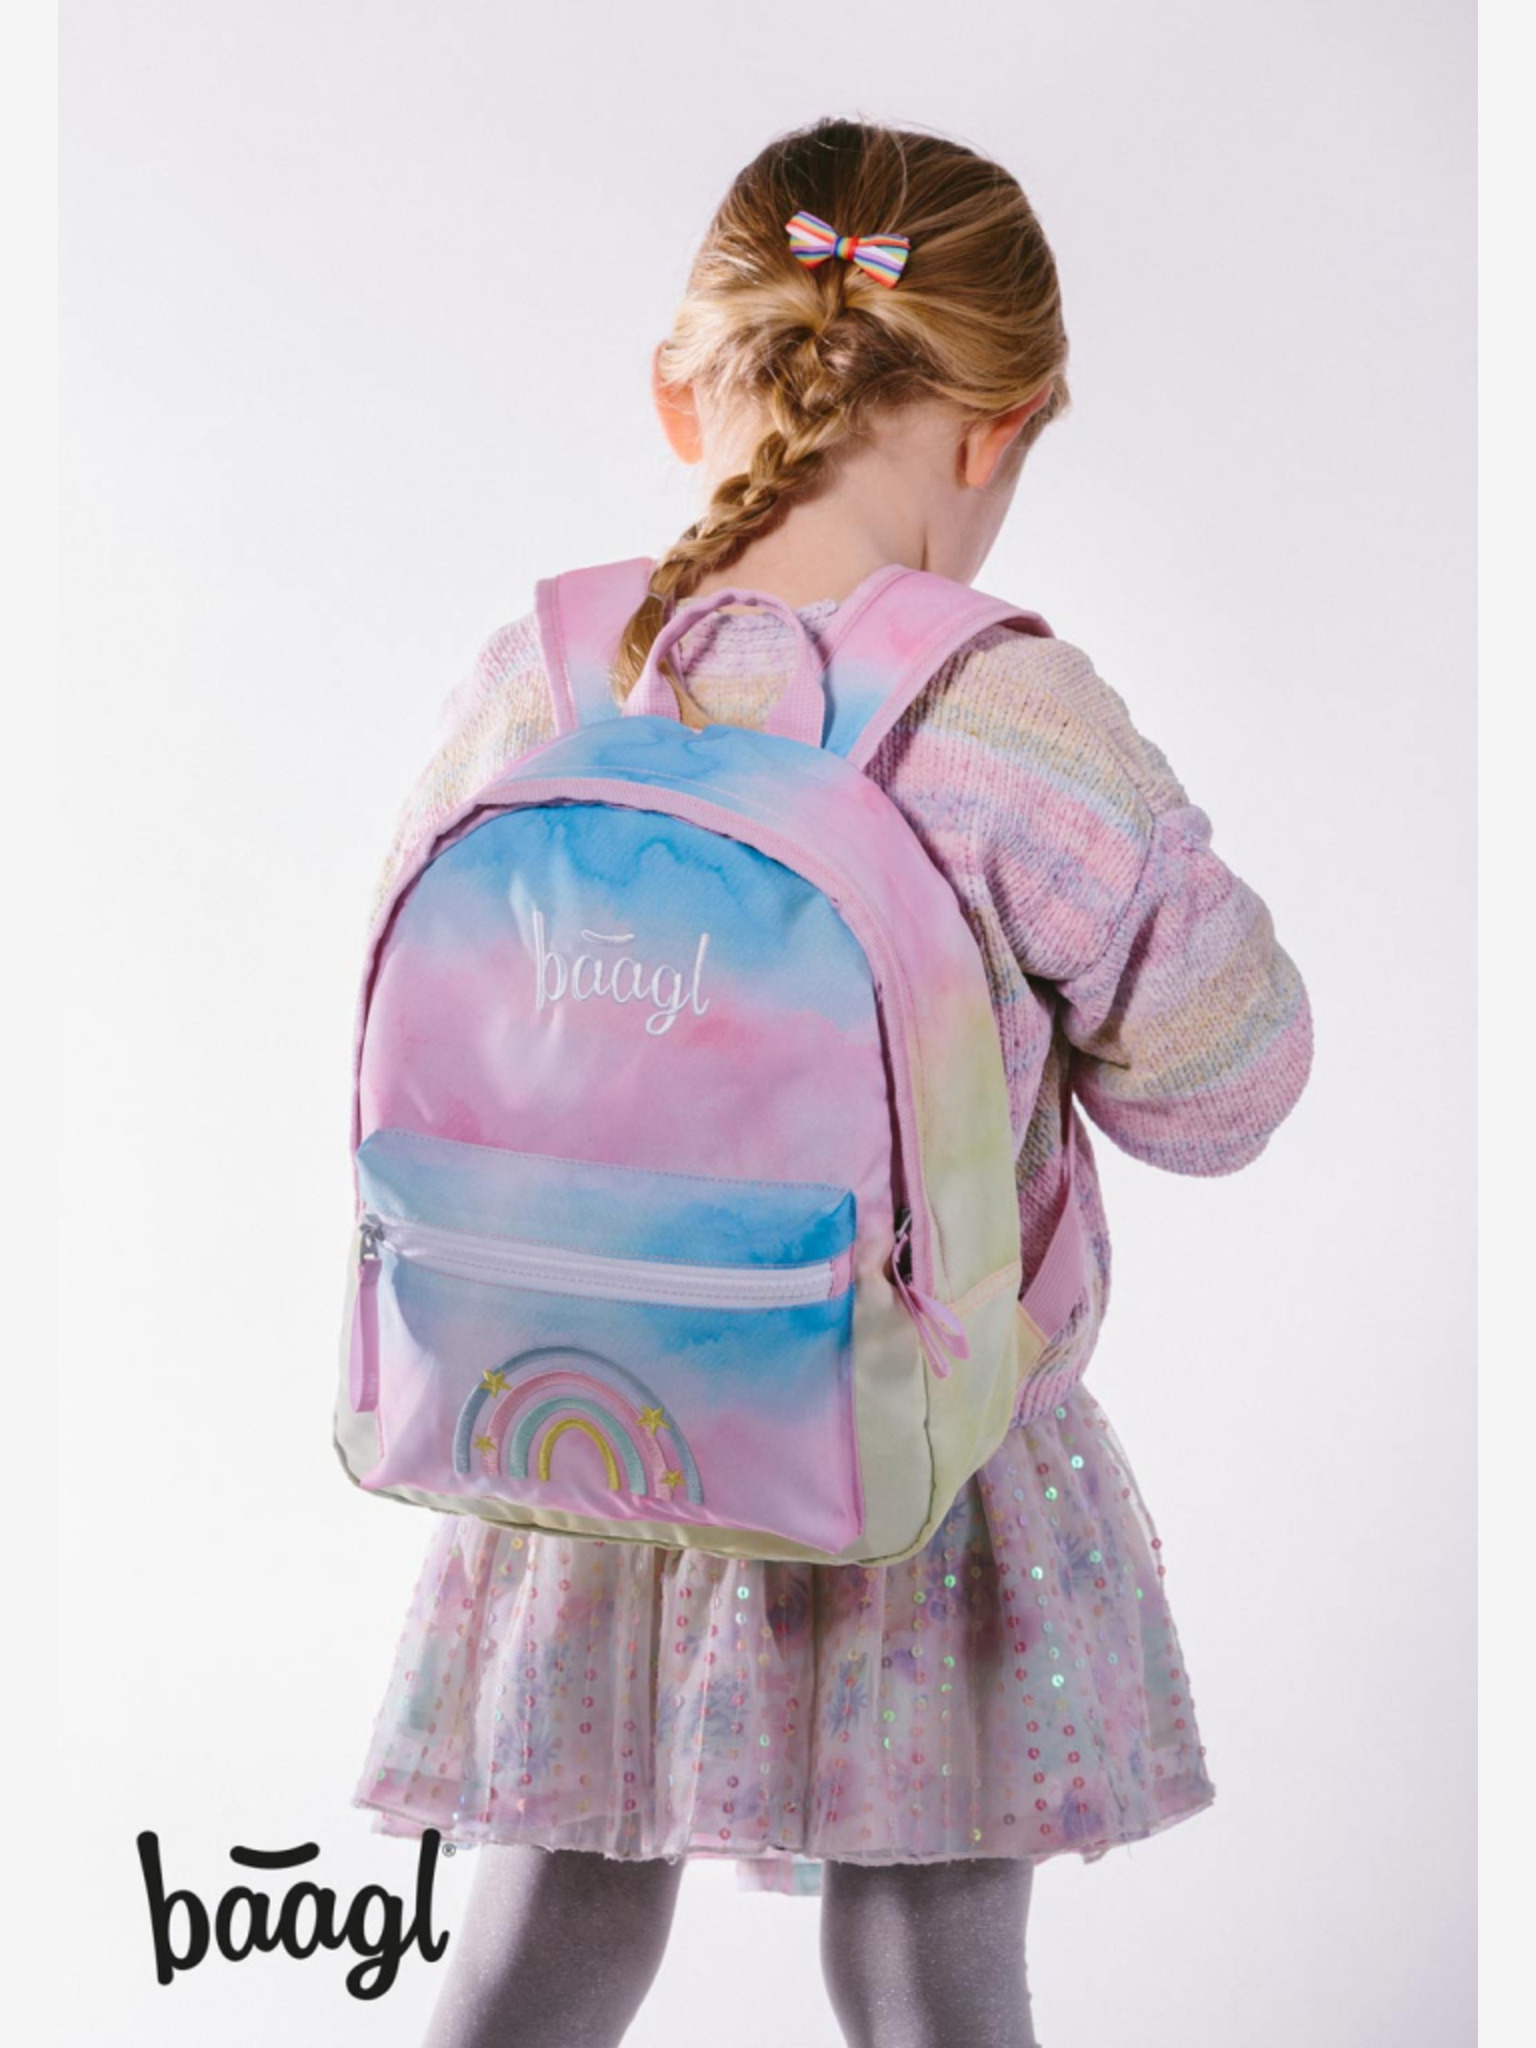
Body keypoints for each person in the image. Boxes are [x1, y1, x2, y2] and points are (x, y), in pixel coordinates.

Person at [349, 116, 1313, 2048]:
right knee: (928, 1976)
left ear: (679, 392)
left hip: (583, 1438)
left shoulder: (550, 675)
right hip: (918, 1455)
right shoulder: (1012, 717)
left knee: (546, 1944)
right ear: (998, 431)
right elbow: (1230, 1091)